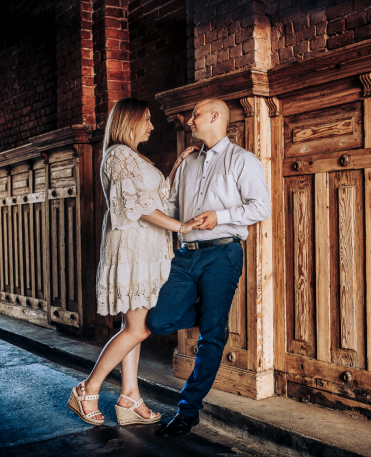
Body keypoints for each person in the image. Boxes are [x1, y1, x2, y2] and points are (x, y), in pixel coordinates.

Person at [67, 98, 200, 426]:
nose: (152, 127)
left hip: (145, 248)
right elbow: (137, 207)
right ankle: (88, 388)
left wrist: (178, 164)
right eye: (146, 120)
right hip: (134, 250)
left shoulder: (131, 157)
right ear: (128, 122)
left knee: (134, 326)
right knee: (139, 328)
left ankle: (129, 395)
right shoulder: (119, 155)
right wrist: (181, 228)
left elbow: (154, 200)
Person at [146, 98, 271, 438]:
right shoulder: (188, 163)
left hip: (222, 253)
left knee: (210, 337)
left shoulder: (243, 160)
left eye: (195, 114)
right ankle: (213, 317)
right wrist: (174, 167)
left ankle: (188, 411)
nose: (189, 120)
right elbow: (169, 207)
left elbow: (261, 206)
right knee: (158, 320)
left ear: (214, 117)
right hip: (185, 256)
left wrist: (221, 216)